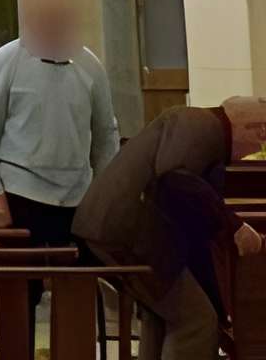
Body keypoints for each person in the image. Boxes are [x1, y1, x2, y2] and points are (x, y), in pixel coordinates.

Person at [72, 93, 266, 359]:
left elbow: (194, 236)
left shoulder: (198, 127)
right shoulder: (203, 127)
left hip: (116, 229)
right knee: (196, 322)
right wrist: (235, 226)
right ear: (247, 126)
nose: (255, 150)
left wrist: (222, 311)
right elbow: (175, 181)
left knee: (163, 316)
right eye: (261, 137)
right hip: (128, 231)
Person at [0, 0, 119, 298]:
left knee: (76, 298)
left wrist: (102, 193)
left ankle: (75, 351)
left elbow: (106, 134)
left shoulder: (90, 65)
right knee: (21, 298)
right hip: (21, 195)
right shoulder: (7, 60)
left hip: (77, 199)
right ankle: (19, 350)